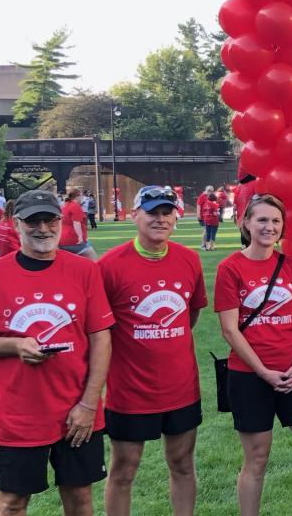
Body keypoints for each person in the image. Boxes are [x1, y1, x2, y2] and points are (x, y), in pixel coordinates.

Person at [0, 189, 114, 516]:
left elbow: (101, 339)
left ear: (61, 221)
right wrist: (14, 345)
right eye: (33, 221)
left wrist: (88, 404)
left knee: (80, 498)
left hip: (77, 411)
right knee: (13, 502)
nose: (43, 228)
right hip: (19, 415)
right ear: (16, 224)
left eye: (50, 219)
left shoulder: (85, 271)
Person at [215, 194, 292, 516]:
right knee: (257, 459)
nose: (269, 227)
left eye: (276, 221)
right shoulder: (230, 268)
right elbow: (230, 330)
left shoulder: (290, 265)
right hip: (248, 376)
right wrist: (263, 372)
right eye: (262, 220)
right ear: (247, 224)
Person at [99, 186, 208, 516]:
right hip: (130, 392)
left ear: (176, 216)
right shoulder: (109, 266)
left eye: (167, 212)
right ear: (135, 216)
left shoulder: (189, 259)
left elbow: (190, 313)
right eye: (152, 212)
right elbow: (98, 328)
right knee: (124, 470)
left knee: (182, 464)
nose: (160, 219)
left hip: (181, 388)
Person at [59, 188, 98, 260]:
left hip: (61, 240)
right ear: (77, 196)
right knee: (94, 260)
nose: (82, 198)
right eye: (81, 196)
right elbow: (76, 223)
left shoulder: (65, 205)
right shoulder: (75, 207)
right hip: (73, 239)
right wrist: (80, 237)